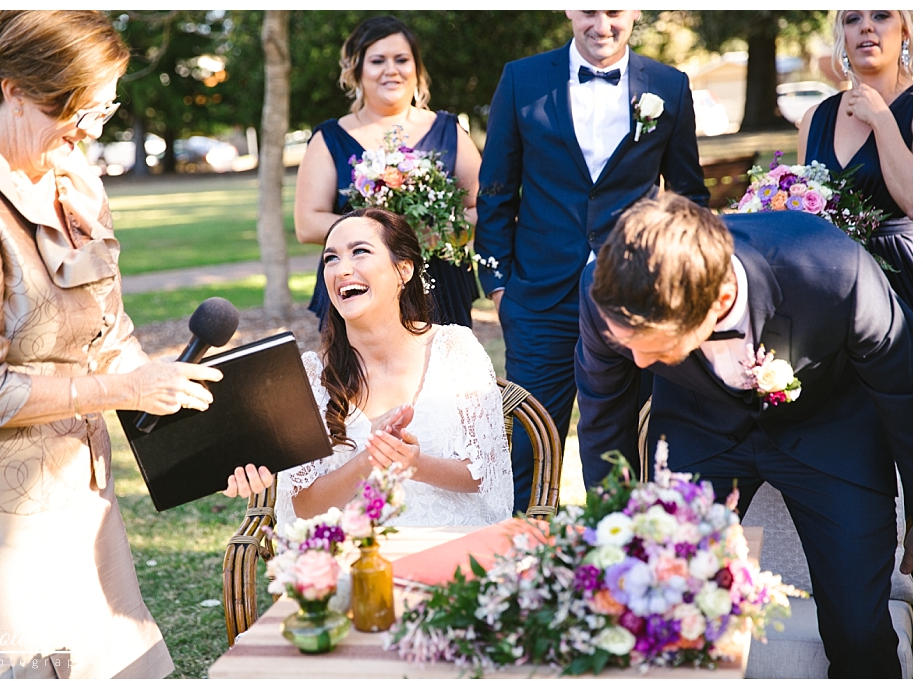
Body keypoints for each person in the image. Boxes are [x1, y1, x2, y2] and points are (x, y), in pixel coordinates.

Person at [0, 11, 226, 679]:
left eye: (103, 109)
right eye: (76, 110)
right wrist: (125, 389)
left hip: (78, 487)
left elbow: (108, 329)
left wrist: (187, 404)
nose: (90, 129)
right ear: (14, 90)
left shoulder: (74, 177)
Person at [574, 191, 912, 678]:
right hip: (698, 426)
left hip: (831, 429)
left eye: (655, 347)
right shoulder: (605, 293)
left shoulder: (835, 272)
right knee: (668, 608)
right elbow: (604, 413)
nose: (640, 362)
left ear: (720, 301)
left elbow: (905, 394)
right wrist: (614, 524)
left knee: (859, 630)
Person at [474, 10, 710, 513]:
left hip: (635, 293)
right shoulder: (522, 79)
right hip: (540, 296)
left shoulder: (669, 85)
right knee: (529, 444)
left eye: (614, 11)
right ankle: (524, 551)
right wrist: (499, 286)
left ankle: (623, 545)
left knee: (627, 445)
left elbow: (689, 195)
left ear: (636, 11)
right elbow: (495, 189)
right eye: (588, 10)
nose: (601, 24)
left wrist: (682, 285)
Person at [228, 208, 513, 532]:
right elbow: (305, 508)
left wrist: (415, 464)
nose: (342, 269)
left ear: (403, 270)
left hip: (451, 544)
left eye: (360, 252)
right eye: (331, 258)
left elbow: (486, 475)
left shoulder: (455, 349)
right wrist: (369, 458)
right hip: (355, 550)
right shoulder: (311, 375)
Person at [295, 15, 483, 330]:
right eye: (377, 60)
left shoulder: (449, 131)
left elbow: (483, 206)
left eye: (401, 59)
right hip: (356, 283)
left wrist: (437, 232)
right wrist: (381, 235)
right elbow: (307, 224)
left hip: (440, 282)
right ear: (356, 70)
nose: (391, 70)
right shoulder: (329, 138)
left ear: (417, 68)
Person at [799, 9, 913, 307]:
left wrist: (882, 120)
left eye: (881, 16)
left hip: (901, 283)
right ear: (843, 36)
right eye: (853, 19)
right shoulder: (814, 119)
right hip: (827, 287)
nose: (866, 27)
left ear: (905, 32)